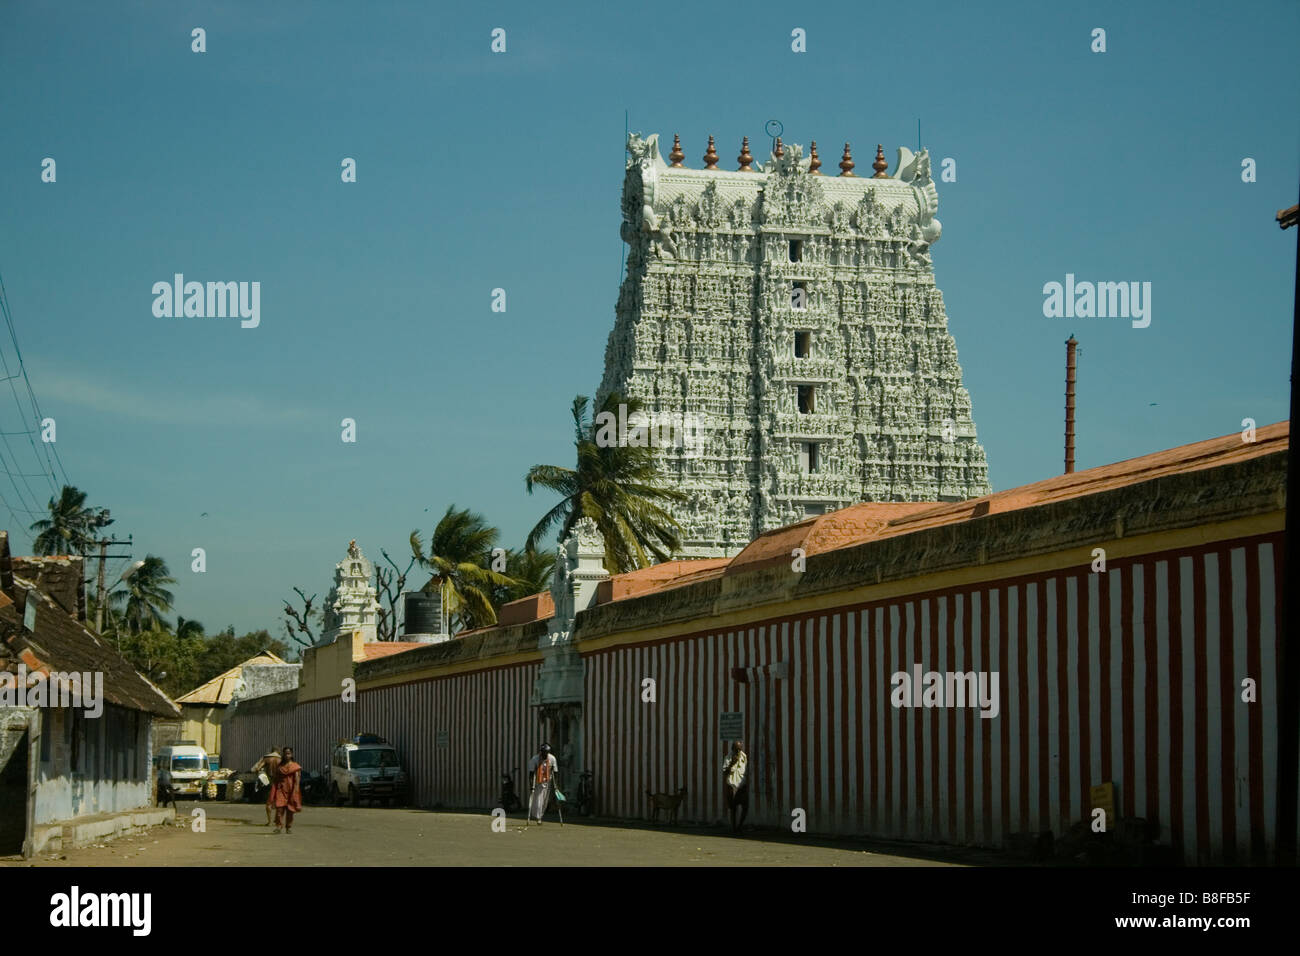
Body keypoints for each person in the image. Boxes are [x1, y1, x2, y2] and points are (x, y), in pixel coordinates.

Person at [273, 745, 303, 834]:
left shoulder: (295, 767)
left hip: (291, 790)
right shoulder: (280, 766)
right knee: (279, 809)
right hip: (281, 790)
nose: (287, 755)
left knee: (290, 810)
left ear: (291, 755)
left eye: (289, 754)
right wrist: (273, 791)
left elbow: (297, 780)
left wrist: (295, 791)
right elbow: (276, 779)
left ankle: (288, 827)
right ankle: (278, 827)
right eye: (285, 754)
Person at [526, 743, 558, 826]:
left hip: (548, 781)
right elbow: (531, 773)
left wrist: (556, 785)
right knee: (538, 800)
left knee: (545, 800)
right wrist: (531, 785)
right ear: (540, 752)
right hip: (537, 782)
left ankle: (540, 815)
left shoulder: (552, 758)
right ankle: (538, 817)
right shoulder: (535, 759)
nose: (545, 754)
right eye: (543, 752)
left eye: (546, 753)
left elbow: (555, 772)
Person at [723, 740, 749, 833]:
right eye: (736, 749)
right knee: (733, 808)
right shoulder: (728, 757)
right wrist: (731, 764)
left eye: (739, 749)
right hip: (732, 785)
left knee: (745, 807)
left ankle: (740, 826)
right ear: (732, 749)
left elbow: (745, 770)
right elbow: (725, 772)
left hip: (742, 785)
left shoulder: (744, 756)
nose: (738, 751)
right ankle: (734, 828)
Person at [253, 747, 281, 826]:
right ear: (278, 751)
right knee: (280, 802)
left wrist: (262, 776)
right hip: (280, 783)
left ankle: (269, 821)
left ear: (271, 751)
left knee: (269, 803)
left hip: (270, 783)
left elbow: (258, 768)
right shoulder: (281, 759)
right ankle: (279, 820)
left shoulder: (267, 758)